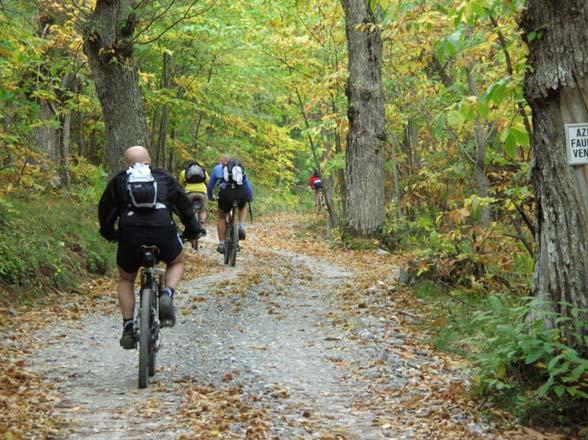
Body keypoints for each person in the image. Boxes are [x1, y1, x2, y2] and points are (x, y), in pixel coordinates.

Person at [98, 146, 200, 349]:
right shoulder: (163, 177)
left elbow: (105, 211)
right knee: (177, 261)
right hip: (163, 230)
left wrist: (110, 233)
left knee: (126, 279)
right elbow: (184, 207)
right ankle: (167, 295)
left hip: (130, 233)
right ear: (149, 161)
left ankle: (128, 326)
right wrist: (192, 230)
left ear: (125, 164)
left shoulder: (119, 180)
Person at [207, 155, 253, 254]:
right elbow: (248, 186)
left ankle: (222, 244)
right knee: (244, 206)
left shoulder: (217, 169)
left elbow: (210, 186)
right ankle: (241, 226)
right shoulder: (238, 169)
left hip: (226, 195)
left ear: (221, 162)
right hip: (240, 193)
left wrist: (210, 197)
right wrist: (249, 198)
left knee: (221, 217)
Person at [178, 160, 209, 236]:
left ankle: (189, 226)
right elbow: (209, 182)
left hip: (188, 193)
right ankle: (201, 225)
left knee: (187, 210)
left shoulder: (184, 172)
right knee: (202, 210)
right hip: (202, 193)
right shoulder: (203, 171)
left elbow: (179, 185)